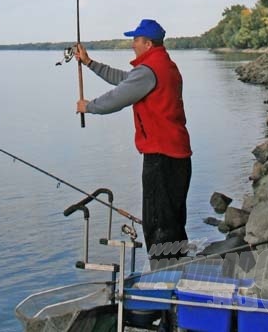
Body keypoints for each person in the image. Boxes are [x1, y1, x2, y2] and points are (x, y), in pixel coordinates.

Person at [75, 18, 192, 272]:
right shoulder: (164, 66)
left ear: (148, 43)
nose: (133, 45)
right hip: (178, 155)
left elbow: (118, 97)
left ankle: (164, 284)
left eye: (136, 40)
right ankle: (178, 277)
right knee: (172, 221)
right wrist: (90, 64)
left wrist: (89, 106)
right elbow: (125, 81)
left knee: (157, 223)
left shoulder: (149, 70)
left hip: (161, 157)